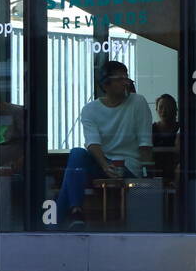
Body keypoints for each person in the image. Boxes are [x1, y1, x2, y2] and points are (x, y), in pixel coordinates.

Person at [56, 60, 154, 229]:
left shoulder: (138, 102)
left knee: (69, 179)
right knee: (77, 153)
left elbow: (145, 143)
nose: (125, 82)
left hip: (127, 165)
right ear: (105, 84)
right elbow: (93, 143)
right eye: (120, 78)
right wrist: (105, 165)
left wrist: (146, 175)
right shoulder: (90, 109)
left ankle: (65, 217)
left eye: (127, 78)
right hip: (102, 163)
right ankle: (73, 212)